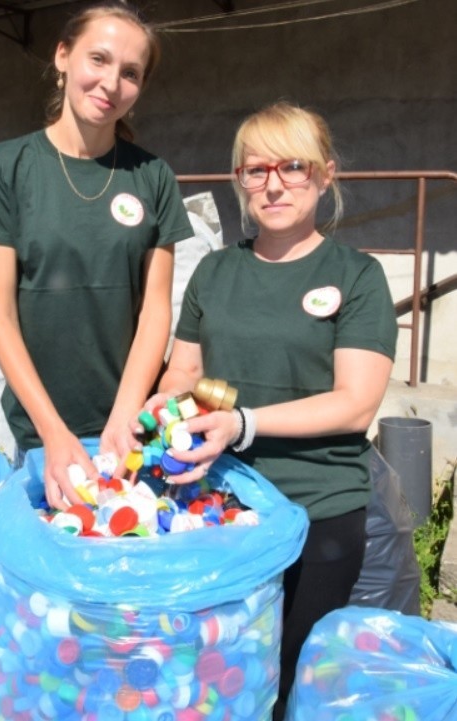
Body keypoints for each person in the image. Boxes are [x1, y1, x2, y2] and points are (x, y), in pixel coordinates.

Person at [138, 101, 398, 720]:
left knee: (292, 682)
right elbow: (188, 374)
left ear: (325, 175)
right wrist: (157, 406)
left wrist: (242, 424)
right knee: (215, 679)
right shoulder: (216, 270)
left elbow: (355, 404)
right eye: (255, 170)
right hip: (221, 513)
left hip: (319, 512)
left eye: (292, 166)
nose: (273, 184)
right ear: (239, 181)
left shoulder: (357, 276)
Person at [0, 1, 193, 510]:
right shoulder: (6, 167)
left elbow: (155, 311)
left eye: (131, 73)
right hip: (45, 435)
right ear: (62, 56)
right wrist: (52, 432)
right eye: (98, 59)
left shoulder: (153, 177)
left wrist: (126, 418)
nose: (111, 83)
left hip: (131, 433)